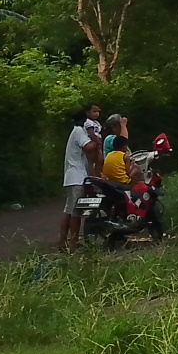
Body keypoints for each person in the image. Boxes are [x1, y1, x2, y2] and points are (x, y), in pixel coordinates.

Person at [59, 102, 103, 251]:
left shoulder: (77, 131)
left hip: (74, 176)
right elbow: (89, 147)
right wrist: (97, 140)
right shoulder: (79, 131)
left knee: (69, 210)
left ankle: (63, 241)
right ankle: (73, 243)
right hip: (76, 177)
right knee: (76, 212)